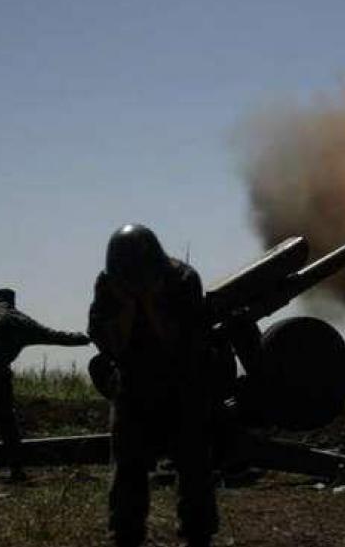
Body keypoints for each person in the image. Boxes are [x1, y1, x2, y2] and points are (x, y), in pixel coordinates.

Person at [87, 224, 217, 547]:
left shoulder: (183, 279)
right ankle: (126, 535)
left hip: (183, 379)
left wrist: (150, 304)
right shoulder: (109, 284)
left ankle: (197, 534)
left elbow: (183, 342)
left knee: (194, 463)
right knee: (128, 466)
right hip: (134, 381)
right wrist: (128, 309)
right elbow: (108, 343)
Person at [0, 288, 90, 481]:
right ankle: (16, 469)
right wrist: (83, 338)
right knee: (6, 420)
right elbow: (53, 335)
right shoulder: (23, 323)